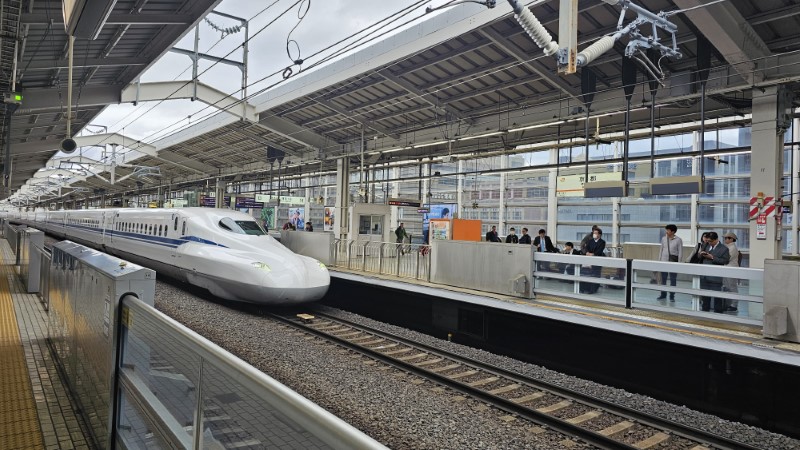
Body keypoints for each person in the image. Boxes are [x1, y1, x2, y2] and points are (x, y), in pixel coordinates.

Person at [698, 231, 730, 313]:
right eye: (708, 241)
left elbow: (725, 261)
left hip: (715, 277)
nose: (709, 243)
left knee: (717, 296)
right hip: (705, 275)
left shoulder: (724, 249)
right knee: (705, 296)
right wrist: (701, 254)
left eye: (711, 241)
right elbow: (698, 257)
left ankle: (717, 312)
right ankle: (705, 311)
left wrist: (712, 257)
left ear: (716, 239)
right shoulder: (706, 245)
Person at [657, 224, 683, 301]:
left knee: (673, 279)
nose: (666, 231)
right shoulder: (663, 239)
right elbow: (661, 250)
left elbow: (680, 252)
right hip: (664, 261)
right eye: (666, 230)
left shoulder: (678, 240)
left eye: (668, 230)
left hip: (673, 262)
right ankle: (663, 294)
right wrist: (659, 261)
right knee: (663, 279)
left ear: (673, 231)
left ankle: (672, 296)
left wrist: (679, 263)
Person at [580, 228, 606, 294]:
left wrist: (593, 254)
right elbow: (586, 248)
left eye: (596, 233)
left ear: (599, 235)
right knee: (586, 273)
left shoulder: (602, 242)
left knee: (595, 275)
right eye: (594, 233)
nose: (594, 234)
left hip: (597, 260)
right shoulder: (590, 241)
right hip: (588, 259)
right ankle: (584, 288)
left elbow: (600, 251)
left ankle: (593, 290)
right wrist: (587, 252)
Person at [723, 232, 740, 312]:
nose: (725, 239)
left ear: (731, 239)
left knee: (732, 287)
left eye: (727, 238)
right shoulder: (728, 247)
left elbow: (727, 258)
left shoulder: (732, 248)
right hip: (727, 269)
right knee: (728, 287)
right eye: (725, 238)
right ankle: (729, 303)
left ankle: (734, 305)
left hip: (731, 269)